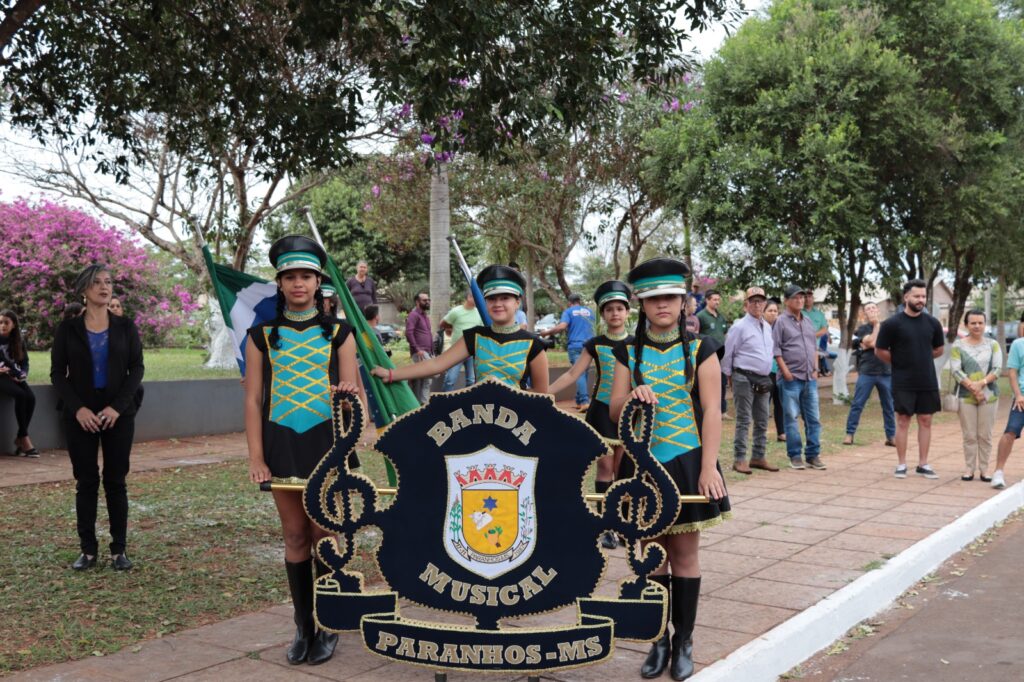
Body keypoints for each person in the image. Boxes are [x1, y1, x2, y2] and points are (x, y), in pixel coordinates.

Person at [609, 257, 729, 682]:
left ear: (683, 302)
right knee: (652, 555)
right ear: (642, 304)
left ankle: (685, 641)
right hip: (642, 464)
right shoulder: (628, 351)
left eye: (671, 297)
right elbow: (613, 410)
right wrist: (634, 396)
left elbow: (713, 409)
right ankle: (658, 640)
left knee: (684, 554)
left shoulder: (702, 348)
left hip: (686, 459)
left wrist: (709, 467)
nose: (663, 304)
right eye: (654, 298)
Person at [245, 235, 360, 666]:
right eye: (290, 276)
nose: (298, 284)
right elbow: (253, 400)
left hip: (327, 443)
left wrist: (348, 397)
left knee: (323, 536)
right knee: (294, 536)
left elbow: (351, 396)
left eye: (306, 276)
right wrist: (256, 457)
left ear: (317, 282)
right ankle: (303, 626)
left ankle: (329, 622)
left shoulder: (339, 332)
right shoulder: (261, 336)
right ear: (279, 282)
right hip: (280, 444)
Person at [51, 264, 144, 572]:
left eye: (108, 282)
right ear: (84, 290)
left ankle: (119, 550)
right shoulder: (67, 329)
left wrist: (117, 407)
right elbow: (58, 375)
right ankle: (88, 551)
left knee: (116, 481)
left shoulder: (126, 326)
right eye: (97, 283)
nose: (104, 287)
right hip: (81, 416)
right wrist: (78, 409)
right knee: (86, 481)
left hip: (118, 415)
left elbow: (137, 370)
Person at [548, 280, 634, 549]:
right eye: (609, 309)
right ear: (602, 315)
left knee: (625, 469)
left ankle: (624, 523)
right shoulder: (594, 343)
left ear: (628, 312)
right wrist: (544, 393)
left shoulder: (637, 343)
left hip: (629, 413)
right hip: (601, 411)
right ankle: (606, 525)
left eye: (620, 308)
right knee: (606, 467)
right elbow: (574, 373)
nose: (615, 313)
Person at [371, 264, 548, 393]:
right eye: (492, 299)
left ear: (517, 302)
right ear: (485, 302)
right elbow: (437, 364)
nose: (498, 304)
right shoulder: (475, 337)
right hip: (480, 425)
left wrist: (507, 396)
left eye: (505, 298)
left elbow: (542, 394)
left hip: (518, 429)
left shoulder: (534, 344)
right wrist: (392, 374)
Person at [874, 279, 945, 479]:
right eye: (917, 296)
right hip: (902, 380)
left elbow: (939, 349)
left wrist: (921, 357)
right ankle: (901, 464)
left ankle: (923, 464)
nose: (921, 300)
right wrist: (899, 362)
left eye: (923, 296)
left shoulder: (933, 323)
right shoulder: (891, 324)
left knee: (926, 420)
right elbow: (880, 350)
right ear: (906, 297)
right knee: (903, 421)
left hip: (927, 380)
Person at [721, 288, 778, 475]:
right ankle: (739, 459)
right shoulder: (739, 326)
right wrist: (728, 376)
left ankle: (758, 456)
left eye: (760, 301)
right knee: (744, 419)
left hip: (762, 377)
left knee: (762, 418)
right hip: (743, 376)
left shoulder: (768, 326)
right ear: (746, 304)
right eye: (753, 301)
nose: (757, 304)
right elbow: (728, 353)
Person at [773, 285, 825, 470]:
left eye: (802, 298)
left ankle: (813, 455)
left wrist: (815, 369)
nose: (800, 301)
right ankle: (795, 456)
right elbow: (776, 349)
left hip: (809, 377)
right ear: (786, 301)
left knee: (813, 418)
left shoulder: (808, 321)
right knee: (791, 418)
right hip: (790, 378)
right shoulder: (781, 321)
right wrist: (785, 371)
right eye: (796, 298)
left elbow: (813, 347)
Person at [949, 310, 1001, 482]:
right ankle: (969, 469)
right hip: (965, 396)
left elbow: (997, 369)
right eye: (973, 323)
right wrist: (973, 387)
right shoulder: (958, 346)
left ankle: (985, 470)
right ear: (966, 325)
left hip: (989, 395)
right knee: (969, 435)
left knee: (985, 435)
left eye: (980, 322)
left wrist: (982, 384)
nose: (977, 326)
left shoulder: (993, 344)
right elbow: (956, 370)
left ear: (985, 324)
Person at [843, 303, 896, 447]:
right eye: (868, 309)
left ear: (878, 310)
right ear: (864, 314)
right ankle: (850, 434)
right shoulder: (863, 328)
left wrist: (874, 342)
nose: (871, 311)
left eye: (873, 308)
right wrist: (877, 327)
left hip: (886, 372)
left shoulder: (890, 327)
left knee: (889, 406)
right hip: (867, 372)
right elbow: (872, 343)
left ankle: (891, 436)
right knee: (858, 404)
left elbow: (888, 345)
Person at [539, 292, 595, 411]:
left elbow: (562, 326)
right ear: (579, 301)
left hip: (575, 345)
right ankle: (579, 401)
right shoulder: (589, 312)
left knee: (578, 372)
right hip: (589, 346)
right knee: (583, 372)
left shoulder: (568, 311)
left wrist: (546, 333)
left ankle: (585, 401)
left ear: (569, 303)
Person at [0, 310, 38, 457]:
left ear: (14, 325)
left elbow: (25, 362)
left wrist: (23, 374)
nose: (3, 325)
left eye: (6, 323)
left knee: (31, 398)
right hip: (1, 376)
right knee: (20, 395)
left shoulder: (18, 341)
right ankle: (25, 440)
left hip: (15, 376)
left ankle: (20, 437)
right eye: (0, 322)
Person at [991, 335, 1024, 490]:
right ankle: (998, 472)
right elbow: (1012, 372)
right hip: (1022, 398)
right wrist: (1018, 395)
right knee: (1010, 432)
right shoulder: (1018, 344)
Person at [696, 289, 729, 418]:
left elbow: (725, 333)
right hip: (707, 356)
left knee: (722, 382)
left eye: (718, 299)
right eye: (714, 299)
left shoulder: (720, 317)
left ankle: (722, 410)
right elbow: (697, 335)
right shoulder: (701, 316)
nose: (717, 302)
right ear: (707, 300)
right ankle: (706, 409)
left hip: (721, 354)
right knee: (706, 383)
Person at [440, 292, 483, 391]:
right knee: (450, 379)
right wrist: (450, 329)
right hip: (456, 351)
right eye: (476, 297)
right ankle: (444, 401)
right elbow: (443, 324)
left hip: (472, 351)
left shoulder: (479, 312)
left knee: (471, 380)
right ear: (469, 297)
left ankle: (467, 402)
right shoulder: (456, 311)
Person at [405, 291, 434, 404]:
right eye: (424, 300)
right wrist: (417, 350)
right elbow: (409, 333)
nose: (427, 302)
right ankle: (422, 403)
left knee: (424, 379)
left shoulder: (424, 316)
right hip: (420, 352)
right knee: (430, 375)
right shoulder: (413, 315)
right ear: (417, 302)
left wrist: (432, 352)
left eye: (428, 300)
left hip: (427, 352)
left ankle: (420, 403)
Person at [763, 298, 786, 442]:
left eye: (775, 311)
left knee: (780, 403)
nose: (773, 313)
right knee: (764, 403)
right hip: (765, 371)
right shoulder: (760, 327)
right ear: (764, 312)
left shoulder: (781, 327)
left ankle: (781, 432)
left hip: (779, 369)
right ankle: (762, 432)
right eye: (770, 311)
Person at [803, 290, 831, 376]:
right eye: (805, 297)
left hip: (814, 348)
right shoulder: (798, 312)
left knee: (813, 374)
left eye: (810, 297)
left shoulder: (819, 314)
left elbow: (824, 329)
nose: (807, 299)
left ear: (813, 299)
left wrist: (811, 336)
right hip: (800, 347)